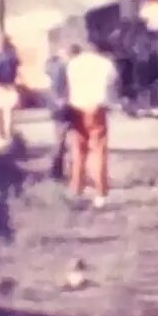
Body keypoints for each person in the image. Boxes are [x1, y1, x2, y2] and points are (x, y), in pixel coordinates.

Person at [64, 41, 119, 208]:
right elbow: (113, 82)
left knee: (78, 151)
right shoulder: (106, 64)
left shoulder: (73, 64)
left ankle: (76, 189)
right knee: (98, 151)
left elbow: (68, 84)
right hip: (96, 108)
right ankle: (100, 193)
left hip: (76, 109)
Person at [0, 36, 22, 141]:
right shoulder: (12, 56)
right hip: (9, 86)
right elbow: (18, 65)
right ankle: (7, 133)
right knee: (8, 112)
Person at [45, 47, 72, 180]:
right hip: (63, 106)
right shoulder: (62, 67)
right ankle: (56, 171)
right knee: (62, 141)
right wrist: (61, 100)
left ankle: (58, 171)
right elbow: (59, 87)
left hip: (57, 107)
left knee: (61, 140)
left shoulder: (52, 67)